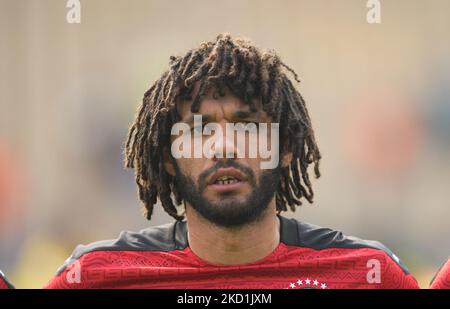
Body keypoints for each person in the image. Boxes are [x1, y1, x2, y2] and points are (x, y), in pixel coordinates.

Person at [45, 33, 419, 289]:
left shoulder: (366, 273)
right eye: (199, 130)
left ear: (285, 147)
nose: (223, 147)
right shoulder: (98, 275)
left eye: (247, 126)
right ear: (169, 158)